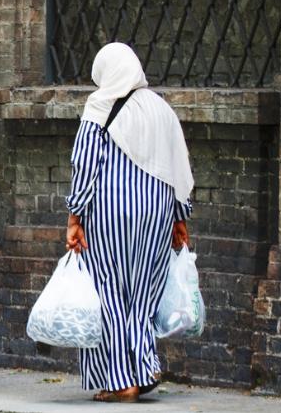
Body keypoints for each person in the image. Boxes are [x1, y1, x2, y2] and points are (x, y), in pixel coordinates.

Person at [65, 42, 194, 402]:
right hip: (157, 213)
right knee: (143, 293)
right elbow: (179, 165)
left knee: (108, 289)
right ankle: (144, 366)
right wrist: (181, 216)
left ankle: (122, 378)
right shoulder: (161, 109)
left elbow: (85, 164)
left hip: (109, 212)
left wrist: (75, 215)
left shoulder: (100, 105)